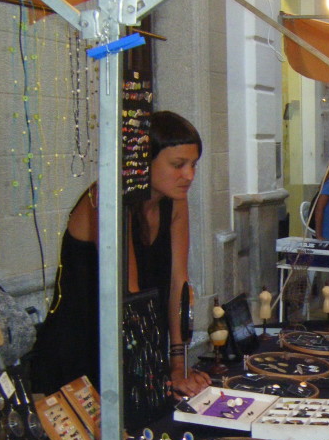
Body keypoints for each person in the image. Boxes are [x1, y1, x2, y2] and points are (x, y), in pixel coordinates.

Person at [33, 111, 212, 398]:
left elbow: (179, 283)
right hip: (82, 349)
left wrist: (179, 363)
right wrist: (158, 372)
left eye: (193, 165)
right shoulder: (107, 198)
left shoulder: (175, 200)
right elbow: (130, 295)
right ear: (142, 162)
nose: (189, 175)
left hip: (132, 345)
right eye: (178, 165)